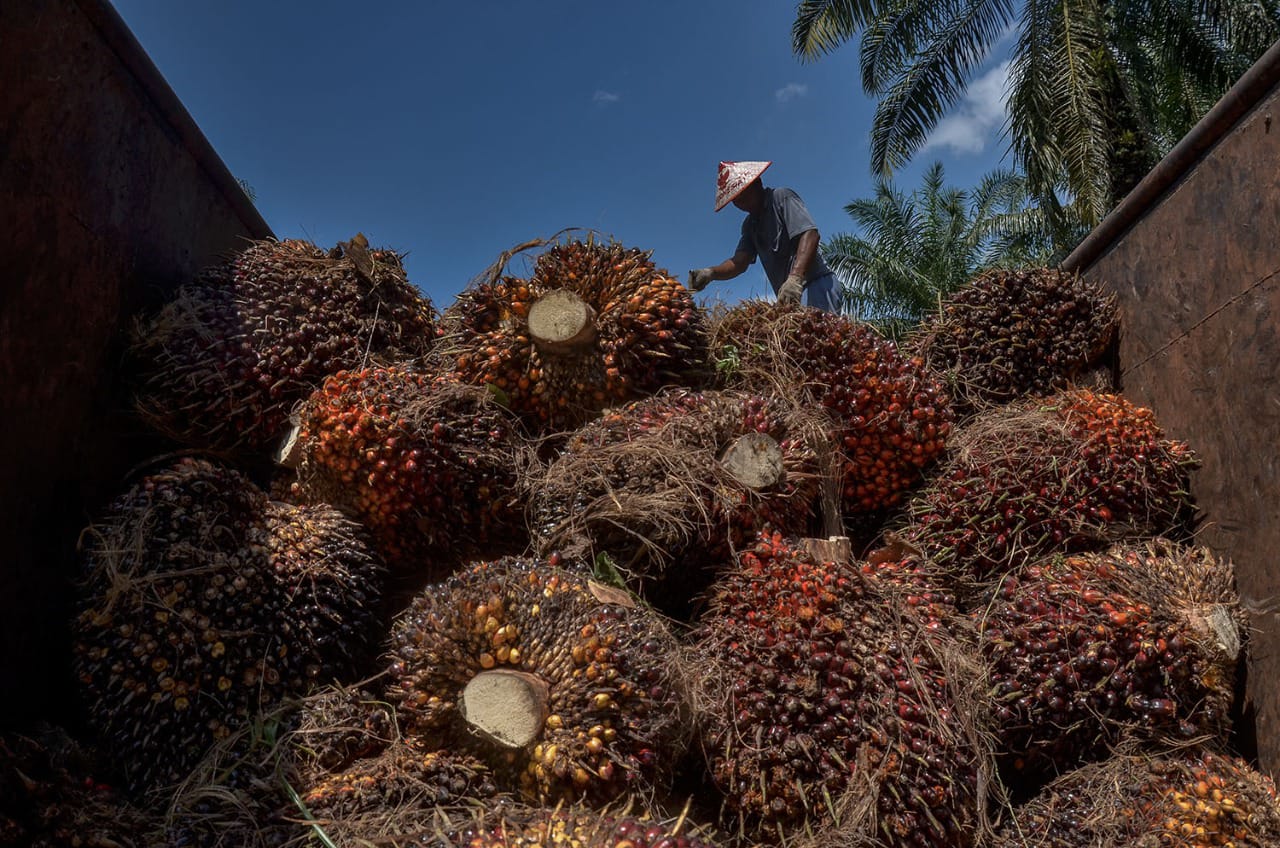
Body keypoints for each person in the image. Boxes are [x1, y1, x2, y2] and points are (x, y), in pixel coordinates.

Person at [687, 161, 841, 312]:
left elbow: (810, 234)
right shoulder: (750, 225)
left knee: (818, 334)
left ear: (757, 183)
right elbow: (739, 262)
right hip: (790, 297)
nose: (742, 202)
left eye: (744, 193)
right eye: (736, 200)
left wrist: (795, 278)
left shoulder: (781, 197)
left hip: (814, 283)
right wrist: (711, 273)